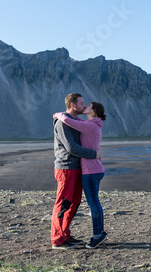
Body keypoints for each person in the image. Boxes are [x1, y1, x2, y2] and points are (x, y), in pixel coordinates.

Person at [54, 102, 107, 249]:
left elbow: (68, 121)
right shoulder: (92, 123)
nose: (85, 106)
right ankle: (98, 233)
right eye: (82, 103)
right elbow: (77, 121)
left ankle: (98, 235)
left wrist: (58, 114)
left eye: (87, 105)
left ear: (94, 111)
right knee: (93, 202)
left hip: (91, 171)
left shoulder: (90, 125)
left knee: (93, 203)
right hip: (93, 169)